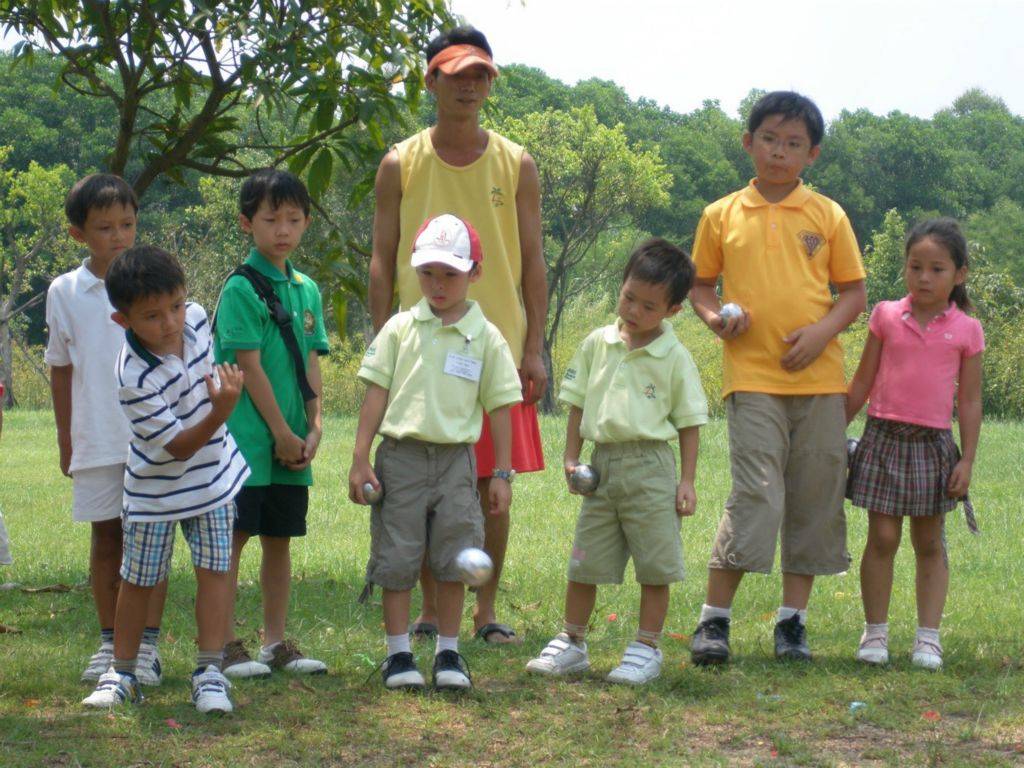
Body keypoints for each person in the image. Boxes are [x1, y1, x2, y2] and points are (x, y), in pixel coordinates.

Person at [370, 25, 547, 644]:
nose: (469, 87)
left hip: (496, 346)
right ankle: (428, 611)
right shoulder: (400, 162)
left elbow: (533, 259)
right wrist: (381, 343)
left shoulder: (516, 163)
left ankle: (485, 610)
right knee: (421, 482)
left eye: (480, 76)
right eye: (456, 75)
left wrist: (534, 347)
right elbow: (382, 258)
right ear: (432, 80)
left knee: (489, 484)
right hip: (418, 346)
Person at [687, 92, 867, 665]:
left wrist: (820, 333)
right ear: (749, 143)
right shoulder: (721, 214)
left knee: (813, 499)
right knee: (757, 494)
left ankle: (792, 624)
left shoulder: (828, 215)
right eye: (769, 139)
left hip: (821, 382)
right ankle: (713, 621)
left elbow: (854, 293)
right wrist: (714, 319)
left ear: (812, 154)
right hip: (752, 377)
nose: (779, 152)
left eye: (793, 144)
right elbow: (700, 284)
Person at [350, 214, 522, 690]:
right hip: (400, 458)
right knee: (397, 556)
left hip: (456, 462)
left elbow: (501, 408)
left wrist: (502, 473)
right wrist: (360, 457)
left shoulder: (486, 337)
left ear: (475, 273)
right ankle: (398, 655)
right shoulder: (399, 328)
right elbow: (376, 395)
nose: (438, 284)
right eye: (428, 273)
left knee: (454, 556)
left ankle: (449, 653)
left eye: (450, 273)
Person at [526, 239, 707, 685]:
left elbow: (689, 422)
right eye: (629, 298)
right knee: (584, 560)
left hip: (651, 468)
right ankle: (572, 641)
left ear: (673, 310)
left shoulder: (674, 356)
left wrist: (687, 480)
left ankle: (646, 647)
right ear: (621, 286)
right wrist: (571, 457)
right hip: (601, 466)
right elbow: (576, 403)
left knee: (655, 563)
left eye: (648, 306)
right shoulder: (598, 343)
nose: (634, 311)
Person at [82, 245, 249, 711]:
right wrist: (221, 411)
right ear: (123, 320)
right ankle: (123, 673)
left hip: (212, 481)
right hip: (155, 492)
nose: (171, 322)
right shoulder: (133, 376)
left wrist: (217, 407)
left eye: (175, 306)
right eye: (152, 316)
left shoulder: (196, 317)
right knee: (138, 579)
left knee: (215, 572)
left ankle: (210, 672)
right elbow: (177, 447)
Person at [44, 174, 167, 686]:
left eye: (127, 224)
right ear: (79, 234)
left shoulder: (153, 282)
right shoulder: (65, 292)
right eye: (104, 227)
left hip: (153, 435)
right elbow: (60, 367)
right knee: (106, 537)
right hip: (96, 434)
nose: (118, 236)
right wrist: (66, 438)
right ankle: (110, 640)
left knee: (151, 540)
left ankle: (146, 648)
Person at [846, 218, 983, 670]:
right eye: (915, 267)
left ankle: (928, 638)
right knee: (882, 537)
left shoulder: (967, 330)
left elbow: (969, 400)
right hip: (883, 438)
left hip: (933, 445)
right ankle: (875, 633)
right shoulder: (885, 315)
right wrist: (830, 431)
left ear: (959, 274)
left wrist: (967, 460)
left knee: (929, 541)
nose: (924, 277)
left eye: (937, 269)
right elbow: (862, 380)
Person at [213, 169, 330, 678]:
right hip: (247, 441)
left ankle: (275, 643)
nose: (283, 230)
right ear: (247, 223)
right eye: (271, 219)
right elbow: (249, 367)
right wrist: (281, 432)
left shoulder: (306, 289)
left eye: (294, 219)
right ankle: (222, 644)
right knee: (234, 538)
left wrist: (314, 424)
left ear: (306, 223)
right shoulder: (241, 288)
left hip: (292, 441)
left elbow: (311, 361)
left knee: (279, 540)